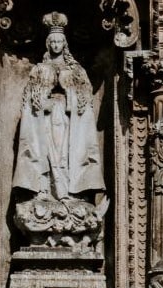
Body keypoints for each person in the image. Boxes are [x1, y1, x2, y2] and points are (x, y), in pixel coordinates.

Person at [12, 12, 104, 201]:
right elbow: (29, 99)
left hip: (67, 118)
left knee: (66, 153)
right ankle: (45, 189)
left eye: (59, 42)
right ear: (48, 44)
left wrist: (68, 94)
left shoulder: (76, 71)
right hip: (45, 119)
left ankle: (68, 191)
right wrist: (42, 101)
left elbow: (86, 98)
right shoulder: (39, 70)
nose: (55, 45)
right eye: (52, 42)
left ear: (64, 44)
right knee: (45, 152)